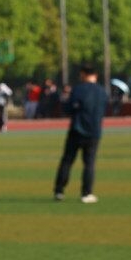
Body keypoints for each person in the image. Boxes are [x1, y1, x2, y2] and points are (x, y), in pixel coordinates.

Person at [54, 65, 108, 203]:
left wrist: (66, 99)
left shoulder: (78, 89)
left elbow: (68, 109)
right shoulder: (102, 91)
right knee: (89, 163)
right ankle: (86, 193)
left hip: (77, 129)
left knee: (67, 160)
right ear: (96, 75)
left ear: (83, 74)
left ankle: (59, 190)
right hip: (94, 131)